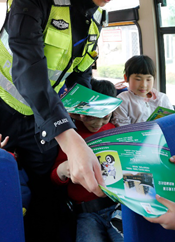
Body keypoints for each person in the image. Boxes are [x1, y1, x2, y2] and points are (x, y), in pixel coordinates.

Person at [0, 0, 166, 241]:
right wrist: (67, 134)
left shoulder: (98, 17)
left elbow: (81, 71)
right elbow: (27, 66)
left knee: (47, 192)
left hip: (42, 116)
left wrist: (94, 112)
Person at [51, 78, 122, 242]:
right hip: (86, 212)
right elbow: (54, 177)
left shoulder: (113, 130)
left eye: (105, 117)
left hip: (116, 205)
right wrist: (64, 169)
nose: (98, 123)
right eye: (92, 117)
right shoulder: (71, 137)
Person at [111, 55, 173, 126]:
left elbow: (170, 122)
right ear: (126, 78)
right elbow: (122, 128)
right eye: (138, 79)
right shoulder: (122, 100)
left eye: (148, 79)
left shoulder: (162, 99)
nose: (143, 85)